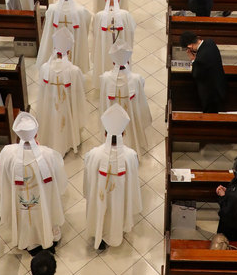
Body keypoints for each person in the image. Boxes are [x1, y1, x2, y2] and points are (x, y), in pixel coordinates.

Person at [0, 111, 67, 253]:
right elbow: (60, 180)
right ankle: (49, 240)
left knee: (25, 213)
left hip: (20, 200)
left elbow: (3, 181)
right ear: (36, 134)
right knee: (45, 211)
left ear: (18, 135)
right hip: (44, 200)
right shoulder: (48, 154)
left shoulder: (7, 153)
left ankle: (29, 243)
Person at [83, 104, 142, 251]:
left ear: (105, 134)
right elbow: (133, 184)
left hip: (99, 196)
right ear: (124, 134)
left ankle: (100, 234)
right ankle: (117, 231)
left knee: (101, 207)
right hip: (120, 198)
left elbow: (88, 182)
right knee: (117, 208)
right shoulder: (130, 156)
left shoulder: (93, 154)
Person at [36, 27, 87, 156]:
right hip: (66, 105)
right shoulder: (74, 71)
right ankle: (67, 142)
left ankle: (50, 140)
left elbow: (41, 93)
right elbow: (79, 93)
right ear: (68, 51)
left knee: (52, 116)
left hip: (50, 102)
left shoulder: (44, 68)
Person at [99, 44, 151, 158]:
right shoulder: (137, 78)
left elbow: (103, 100)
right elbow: (141, 99)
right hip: (130, 112)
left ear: (113, 62)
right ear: (128, 61)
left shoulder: (105, 78)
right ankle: (132, 146)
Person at [38, 0, 91, 73]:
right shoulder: (80, 11)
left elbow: (47, 28)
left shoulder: (52, 9)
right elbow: (86, 24)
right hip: (73, 47)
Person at [90, 0, 136, 86]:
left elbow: (94, 33)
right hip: (121, 51)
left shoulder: (99, 16)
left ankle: (105, 84)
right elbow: (132, 30)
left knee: (104, 61)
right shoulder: (126, 15)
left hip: (104, 51)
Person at [180, 32, 227, 112]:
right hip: (220, 85)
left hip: (211, 95)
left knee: (210, 116)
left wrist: (193, 60)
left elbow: (196, 74)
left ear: (190, 46)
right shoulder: (210, 42)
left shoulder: (200, 59)